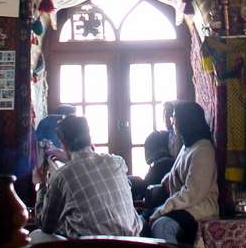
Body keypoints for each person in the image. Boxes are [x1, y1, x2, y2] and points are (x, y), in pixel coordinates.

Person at [30, 116, 142, 244]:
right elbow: (91, 167)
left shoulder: (62, 176)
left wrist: (40, 184)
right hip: (134, 242)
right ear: (89, 138)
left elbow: (45, 224)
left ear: (63, 144)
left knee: (36, 236)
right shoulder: (117, 162)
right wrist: (70, 158)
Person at [148, 101, 218, 245]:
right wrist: (168, 178)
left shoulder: (203, 149)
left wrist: (162, 210)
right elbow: (181, 170)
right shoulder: (188, 145)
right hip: (186, 206)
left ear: (186, 120)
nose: (172, 122)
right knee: (142, 220)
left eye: (175, 117)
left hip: (199, 208)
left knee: (161, 226)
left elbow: (192, 193)